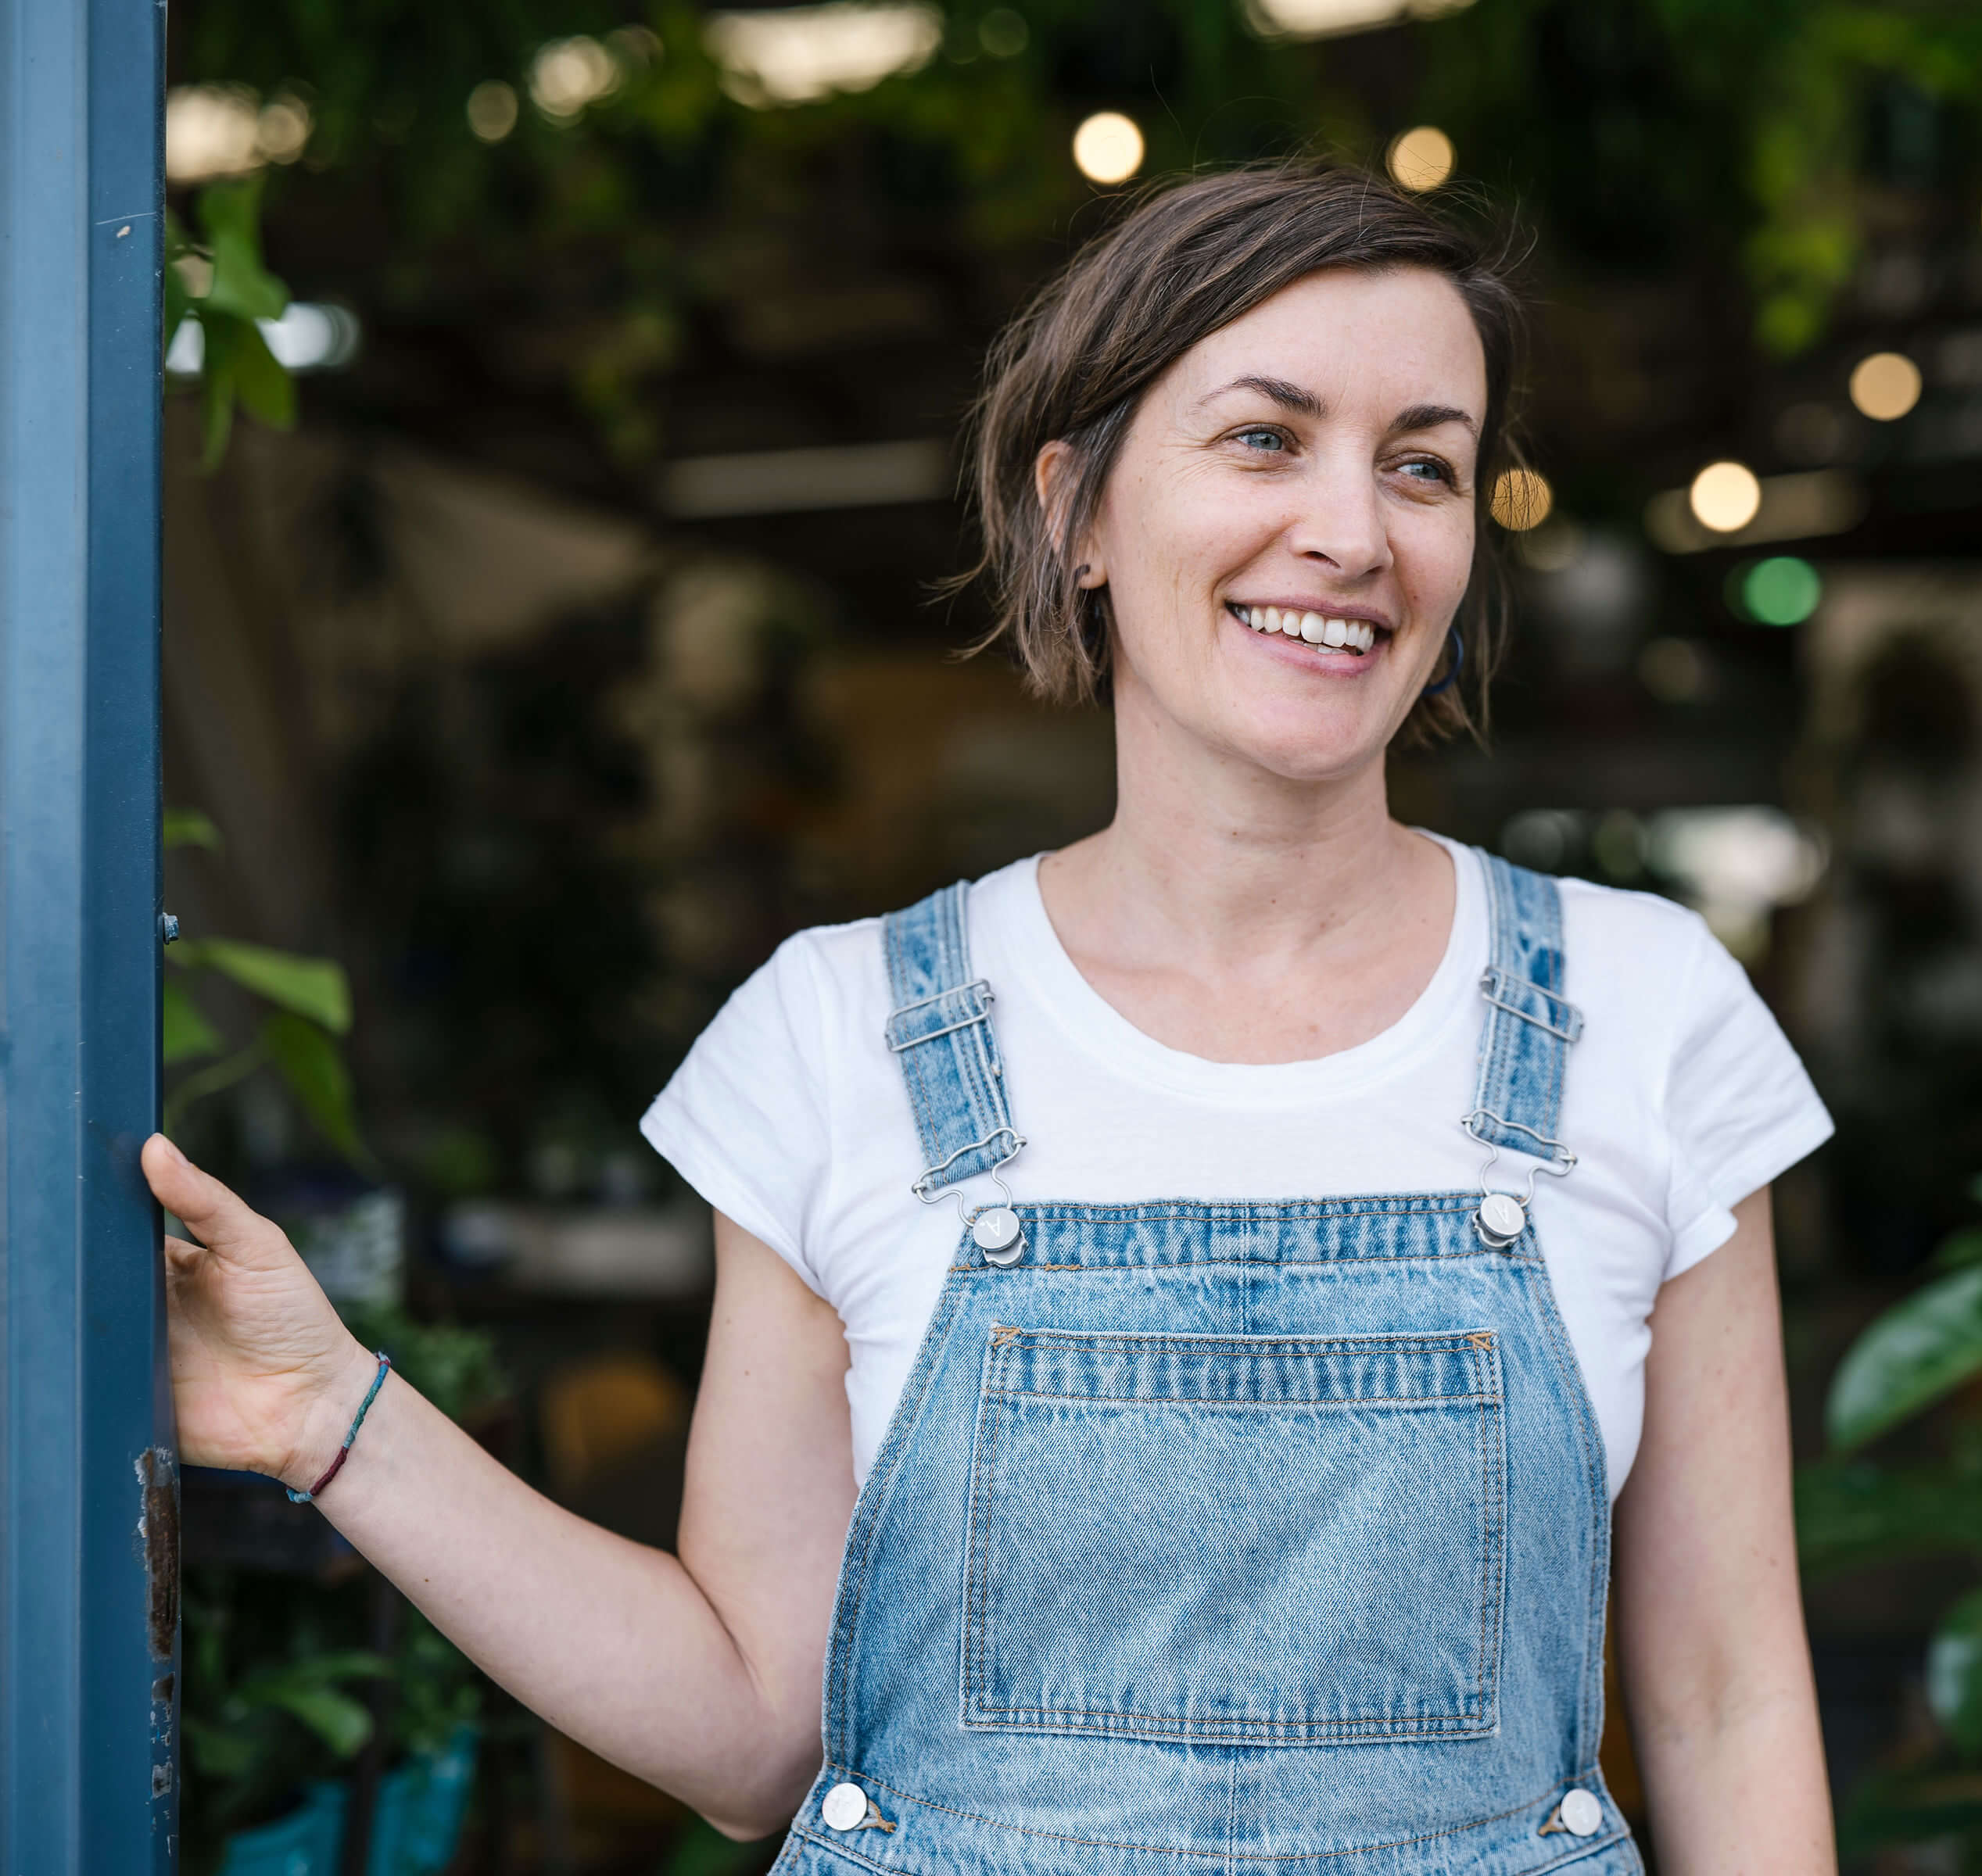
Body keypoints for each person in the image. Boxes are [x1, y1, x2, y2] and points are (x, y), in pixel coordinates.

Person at [145, 163, 1838, 1874]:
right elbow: (747, 1734)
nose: (1354, 529)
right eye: (1266, 437)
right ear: (1074, 511)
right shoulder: (841, 1035)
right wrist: (324, 1419)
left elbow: (1726, 1703)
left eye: (1424, 463)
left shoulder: (1639, 1010)